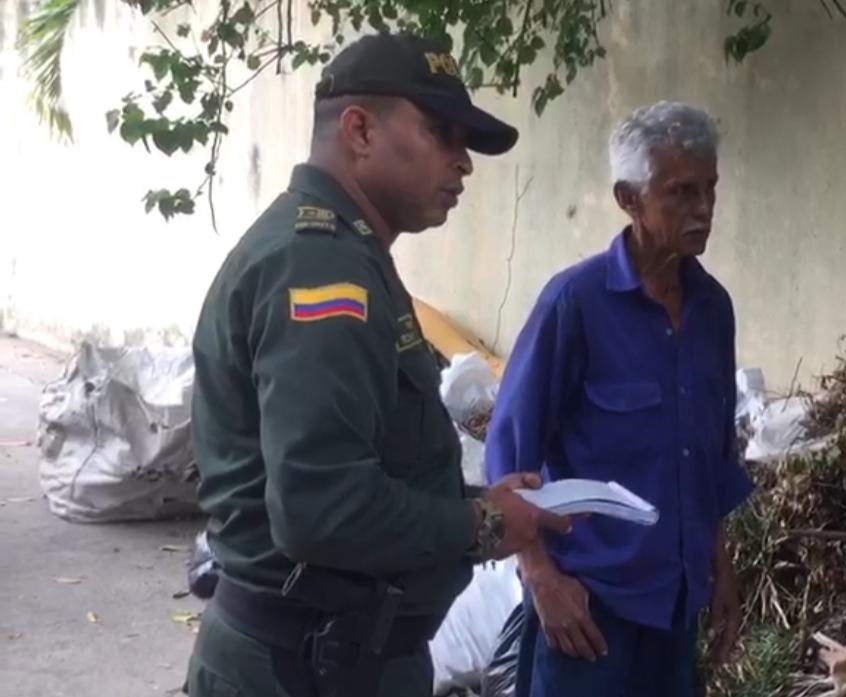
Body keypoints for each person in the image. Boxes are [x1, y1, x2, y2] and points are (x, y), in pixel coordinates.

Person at [184, 32, 572, 697]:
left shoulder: (347, 254)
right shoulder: (321, 268)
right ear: (360, 130)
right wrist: (484, 525)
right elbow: (320, 507)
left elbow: (365, 464)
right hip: (306, 666)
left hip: (335, 657)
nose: (463, 164)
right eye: (442, 133)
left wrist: (477, 500)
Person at [484, 101, 755, 697]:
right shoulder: (575, 304)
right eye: (681, 192)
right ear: (629, 198)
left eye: (710, 189)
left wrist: (722, 572)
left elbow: (711, 458)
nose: (704, 209)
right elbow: (508, 464)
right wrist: (542, 580)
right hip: (587, 612)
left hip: (675, 609)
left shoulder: (713, 311)